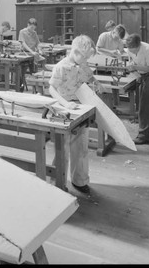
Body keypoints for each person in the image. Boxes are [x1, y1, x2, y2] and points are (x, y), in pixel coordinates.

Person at [49, 34, 104, 194]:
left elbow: (89, 76)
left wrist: (97, 82)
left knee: (81, 146)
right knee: (63, 147)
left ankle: (80, 180)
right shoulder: (61, 66)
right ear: (75, 52)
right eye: (85, 57)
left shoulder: (83, 64)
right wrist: (65, 103)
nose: (86, 60)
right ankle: (57, 182)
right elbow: (52, 88)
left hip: (80, 107)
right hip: (64, 108)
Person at [126, 33, 149, 145]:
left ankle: (144, 136)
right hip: (142, 74)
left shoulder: (148, 49)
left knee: (146, 105)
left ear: (139, 44)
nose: (131, 51)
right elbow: (132, 61)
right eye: (129, 49)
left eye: (134, 49)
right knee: (148, 101)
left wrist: (135, 67)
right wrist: (135, 71)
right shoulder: (129, 49)